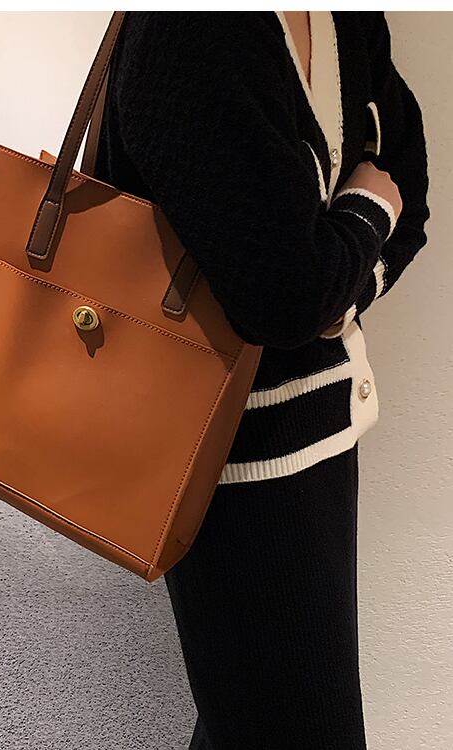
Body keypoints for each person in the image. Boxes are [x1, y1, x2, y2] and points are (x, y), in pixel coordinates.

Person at [93, 11, 430, 750]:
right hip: (221, 459)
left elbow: (411, 185)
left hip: (324, 429)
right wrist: (364, 215)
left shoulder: (348, 17)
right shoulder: (191, 30)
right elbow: (286, 295)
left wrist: (337, 280)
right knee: (286, 722)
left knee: (258, 714)